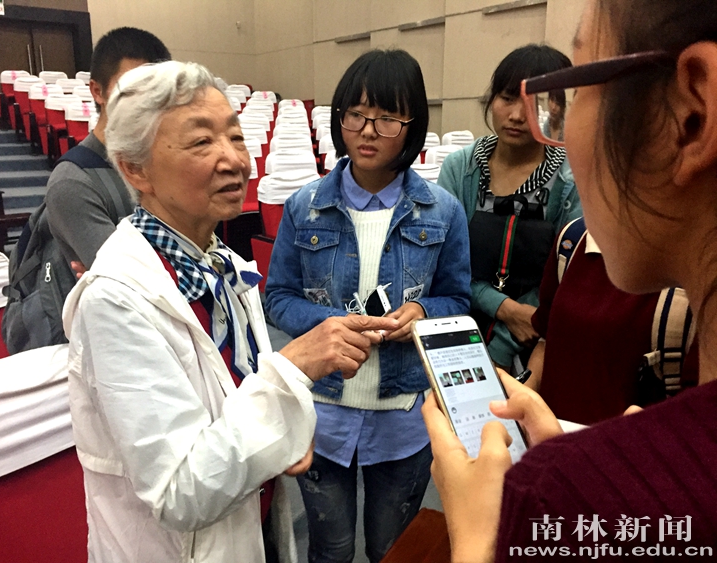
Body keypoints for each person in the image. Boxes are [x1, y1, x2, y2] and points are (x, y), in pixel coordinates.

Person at [63, 60, 400, 563]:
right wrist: (295, 367)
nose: (235, 160)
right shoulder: (115, 300)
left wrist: (282, 435)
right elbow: (180, 492)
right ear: (135, 169)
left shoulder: (221, 264)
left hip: (248, 527)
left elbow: (240, 399)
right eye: (202, 142)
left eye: (237, 138)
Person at [424, 0, 717, 559]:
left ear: (693, 113)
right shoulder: (465, 168)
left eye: (572, 93)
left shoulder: (568, 495)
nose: (540, 126)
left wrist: (480, 543)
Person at [264, 49, 471, 563]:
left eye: (387, 118)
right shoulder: (305, 206)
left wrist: (423, 314)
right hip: (323, 411)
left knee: (390, 550)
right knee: (330, 549)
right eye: (355, 115)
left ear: (413, 124)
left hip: (402, 415)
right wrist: (329, 325)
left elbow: (458, 299)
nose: (368, 131)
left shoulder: (443, 212)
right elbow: (278, 297)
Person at [437, 45, 582, 371]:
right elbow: (445, 266)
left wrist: (501, 348)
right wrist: (504, 309)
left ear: (557, 110)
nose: (517, 115)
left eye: (534, 105)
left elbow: (566, 277)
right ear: (492, 100)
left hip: (537, 338)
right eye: (507, 98)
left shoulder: (570, 181)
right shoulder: (459, 169)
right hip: (459, 331)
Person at [526, 217, 699, 425]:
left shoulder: (698, 272)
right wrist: (523, 397)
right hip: (549, 437)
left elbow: (700, 414)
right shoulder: (572, 240)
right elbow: (547, 340)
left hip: (628, 443)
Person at [45, 27, 170, 273]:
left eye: (157, 91)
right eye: (131, 89)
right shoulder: (73, 181)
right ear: (97, 91)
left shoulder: (165, 163)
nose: (146, 102)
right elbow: (133, 281)